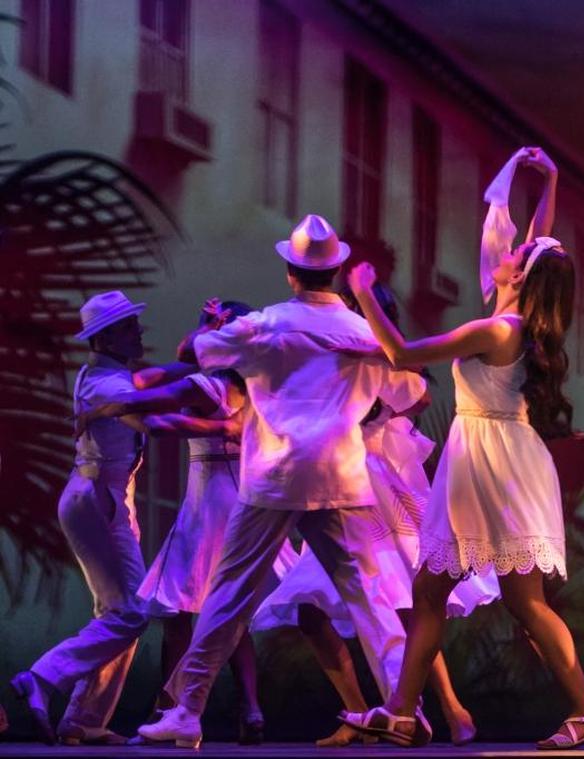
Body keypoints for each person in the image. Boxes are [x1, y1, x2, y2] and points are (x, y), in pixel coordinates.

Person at [338, 147, 584, 750]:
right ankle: (403, 711)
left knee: (523, 602)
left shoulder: (497, 330)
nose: (506, 249)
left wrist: (363, 295)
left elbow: (404, 355)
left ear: (521, 276)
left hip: (492, 461)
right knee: (435, 590)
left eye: (515, 254)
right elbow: (542, 241)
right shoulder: (519, 319)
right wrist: (551, 179)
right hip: (490, 454)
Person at [138, 214, 426, 749]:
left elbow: (197, 353)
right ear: (337, 271)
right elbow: (412, 393)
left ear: (291, 272)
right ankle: (406, 708)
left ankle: (186, 712)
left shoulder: (265, 324)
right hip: (340, 473)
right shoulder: (364, 332)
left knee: (228, 596)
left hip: (274, 476)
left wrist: (211, 324)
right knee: (368, 598)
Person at [249, 282, 496, 748]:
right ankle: (363, 712)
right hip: (334, 487)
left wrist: (374, 403)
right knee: (311, 611)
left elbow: (417, 394)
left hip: (372, 486)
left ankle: (449, 706)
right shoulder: (337, 347)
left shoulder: (380, 356)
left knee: (407, 606)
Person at [74, 299, 270, 744]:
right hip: (240, 494)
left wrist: (107, 408)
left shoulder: (214, 385)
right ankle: (251, 709)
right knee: (227, 610)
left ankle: (167, 708)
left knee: (179, 608)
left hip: (213, 496)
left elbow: (160, 403)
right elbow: (172, 364)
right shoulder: (253, 378)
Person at [10, 292, 150, 746]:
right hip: (94, 500)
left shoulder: (110, 376)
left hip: (105, 499)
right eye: (129, 326)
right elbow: (152, 414)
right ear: (107, 336)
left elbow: (155, 384)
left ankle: (83, 721)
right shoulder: (106, 386)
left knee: (120, 613)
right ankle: (44, 677)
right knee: (131, 613)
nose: (139, 332)